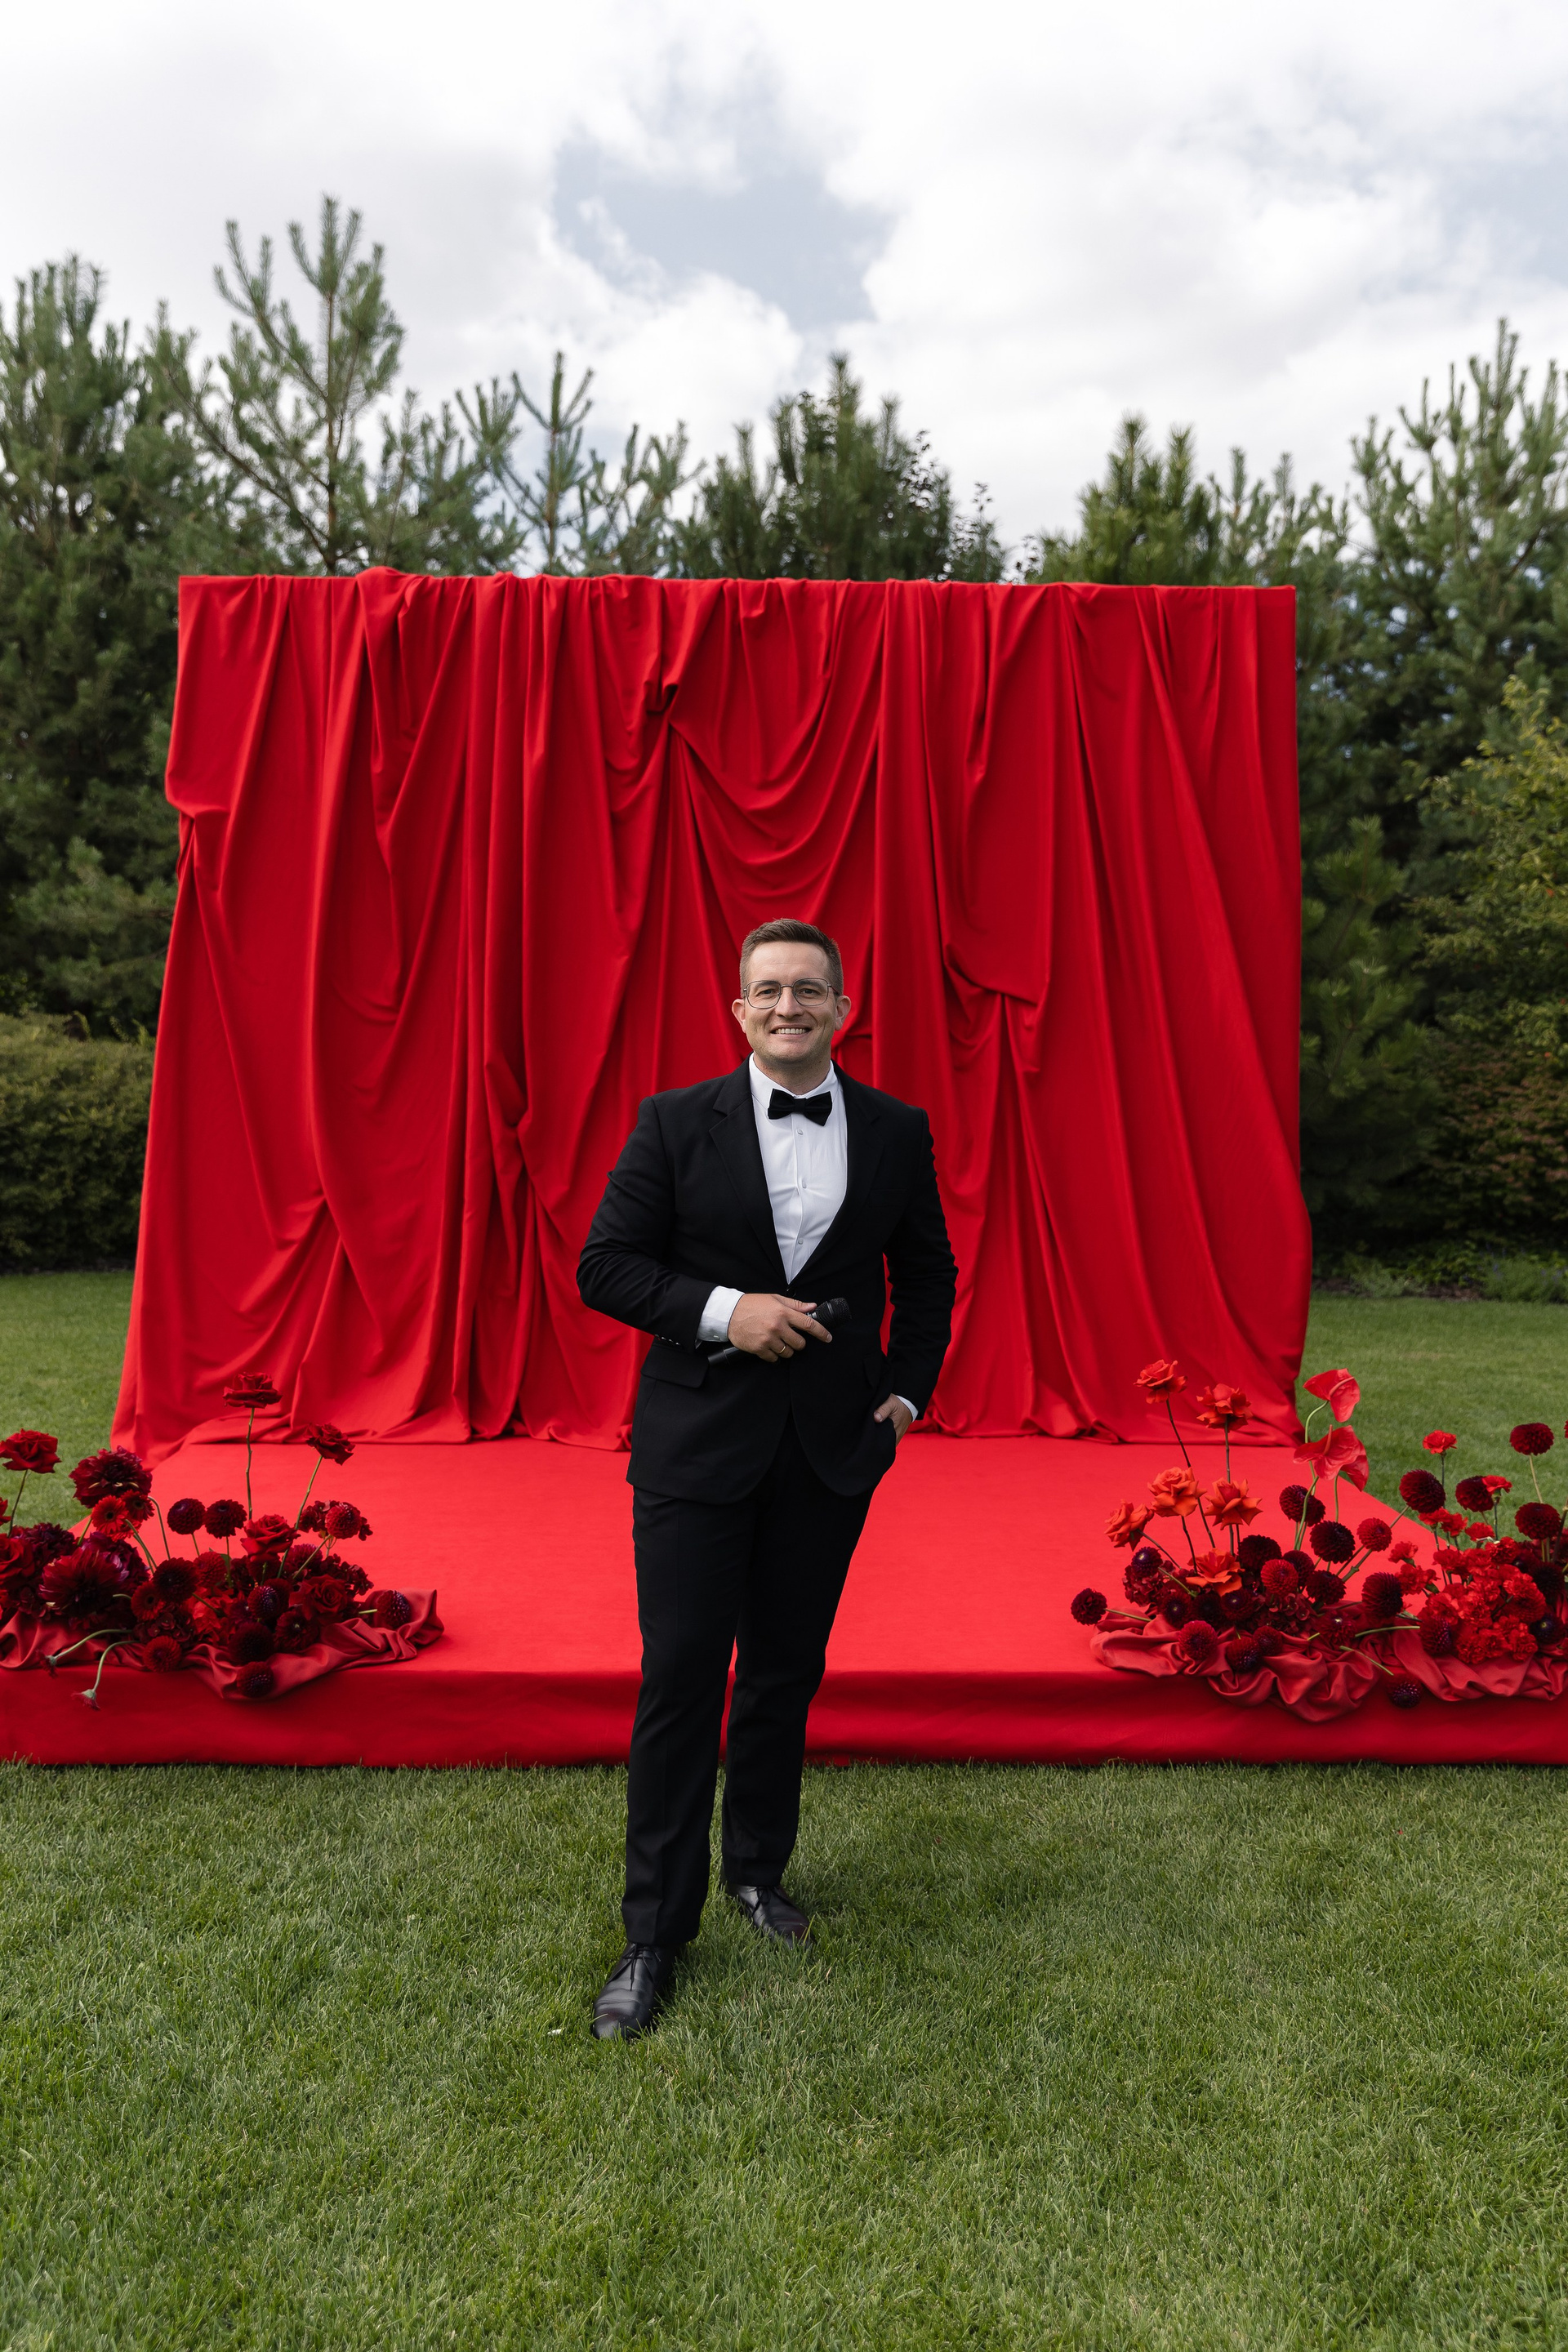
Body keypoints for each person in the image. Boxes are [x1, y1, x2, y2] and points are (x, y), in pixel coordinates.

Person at [577, 917, 956, 2039]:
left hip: (830, 1449)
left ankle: (756, 1871)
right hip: (696, 1445)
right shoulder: (671, 1122)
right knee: (683, 1679)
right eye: (769, 991)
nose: (789, 1007)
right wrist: (724, 1311)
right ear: (740, 1010)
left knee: (784, 1673)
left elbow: (928, 1272)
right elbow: (606, 1265)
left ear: (843, 1008)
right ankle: (654, 1935)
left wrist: (906, 1398)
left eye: (809, 990)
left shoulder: (895, 1129)